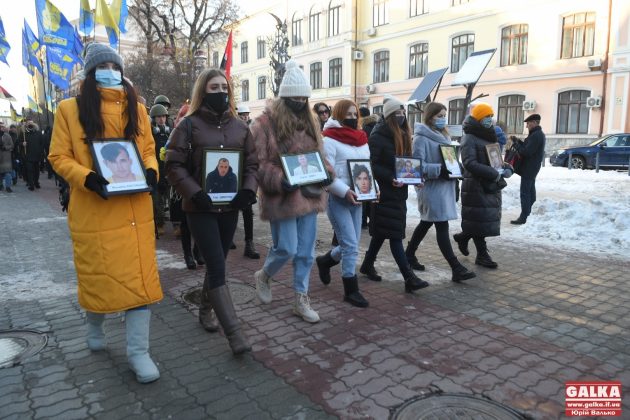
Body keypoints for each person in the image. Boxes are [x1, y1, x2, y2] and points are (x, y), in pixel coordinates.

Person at [48, 42, 162, 384]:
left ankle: (138, 353)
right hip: (95, 210)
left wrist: (152, 169)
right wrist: (87, 177)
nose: (110, 70)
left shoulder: (137, 110)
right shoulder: (69, 110)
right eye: (103, 66)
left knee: (139, 285)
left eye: (115, 65)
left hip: (135, 211)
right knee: (101, 280)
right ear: (90, 73)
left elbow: (147, 149)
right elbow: (58, 157)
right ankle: (94, 324)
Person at [166, 67, 258, 355]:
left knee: (219, 262)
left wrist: (247, 191)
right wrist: (195, 192)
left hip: (229, 207)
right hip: (200, 208)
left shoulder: (241, 128)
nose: (220, 93)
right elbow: (173, 164)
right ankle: (235, 335)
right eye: (214, 88)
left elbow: (252, 164)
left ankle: (205, 310)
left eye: (224, 88)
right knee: (217, 265)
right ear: (202, 91)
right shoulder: (188, 125)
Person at [251, 59, 334, 323]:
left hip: (308, 196)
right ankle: (264, 275)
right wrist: (278, 179)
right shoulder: (265, 123)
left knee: (306, 252)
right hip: (282, 198)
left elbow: (320, 155)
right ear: (285, 96)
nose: (300, 100)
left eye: (304, 96)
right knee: (285, 247)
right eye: (295, 96)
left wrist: (326, 174)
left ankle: (301, 297)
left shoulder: (311, 121)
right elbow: (257, 162)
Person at [359, 97, 429, 293]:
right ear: (389, 116)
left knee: (383, 232)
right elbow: (371, 165)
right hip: (384, 192)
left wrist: (416, 177)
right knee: (395, 234)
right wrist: (390, 178)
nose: (401, 116)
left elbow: (406, 163)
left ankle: (367, 264)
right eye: (397, 113)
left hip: (399, 192)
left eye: (403, 113)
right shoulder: (378, 136)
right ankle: (409, 277)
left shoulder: (404, 134)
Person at [404, 102, 476, 282]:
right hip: (431, 189)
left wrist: (457, 169)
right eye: (439, 116)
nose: (443, 118)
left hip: (445, 187)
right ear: (429, 117)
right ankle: (455, 267)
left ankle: (409, 254)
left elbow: (448, 160)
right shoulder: (421, 138)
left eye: (444, 115)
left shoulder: (443, 135)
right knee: (441, 226)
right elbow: (416, 167)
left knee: (426, 222)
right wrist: (440, 170)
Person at [316, 99, 370, 308]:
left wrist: (372, 188)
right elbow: (325, 172)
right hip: (338, 198)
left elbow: (367, 167)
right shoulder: (328, 139)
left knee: (351, 245)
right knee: (349, 245)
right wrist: (344, 190)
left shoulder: (362, 139)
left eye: (355, 113)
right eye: (347, 114)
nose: (352, 117)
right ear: (338, 114)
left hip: (358, 199)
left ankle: (325, 261)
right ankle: (351, 289)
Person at [452, 103, 513, 269]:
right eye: (486, 116)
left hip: (489, 185)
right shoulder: (469, 137)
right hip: (475, 185)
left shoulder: (489, 135)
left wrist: (505, 167)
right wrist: (494, 173)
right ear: (479, 118)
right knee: (479, 219)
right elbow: (469, 163)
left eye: (491, 116)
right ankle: (482, 255)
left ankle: (463, 237)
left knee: (481, 219)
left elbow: (493, 159)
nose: (489, 119)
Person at [510, 114, 546, 225]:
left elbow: (526, 152)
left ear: (534, 122)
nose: (527, 126)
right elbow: (527, 147)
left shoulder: (536, 136)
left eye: (528, 123)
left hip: (530, 167)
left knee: (525, 192)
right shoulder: (537, 134)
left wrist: (516, 146)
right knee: (530, 190)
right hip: (532, 167)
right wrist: (518, 141)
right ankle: (528, 212)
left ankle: (524, 216)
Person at [150, 104, 171, 236]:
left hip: (168, 170)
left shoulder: (171, 133)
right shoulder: (151, 134)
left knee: (173, 199)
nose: (161, 119)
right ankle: (160, 223)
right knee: (157, 200)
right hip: (156, 169)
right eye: (158, 117)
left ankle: (176, 225)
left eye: (163, 116)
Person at [360, 107, 378, 228]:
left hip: (365, 163)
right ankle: (373, 220)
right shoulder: (376, 126)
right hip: (374, 163)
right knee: (371, 194)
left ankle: (362, 221)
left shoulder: (364, 129)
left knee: (363, 194)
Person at [23, 121, 45, 190]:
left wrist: (41, 153)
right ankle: (31, 184)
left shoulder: (38, 133)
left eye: (31, 124)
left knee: (36, 171)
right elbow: (18, 142)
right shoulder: (24, 134)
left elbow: (42, 143)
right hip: (28, 156)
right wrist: (22, 144)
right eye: (29, 124)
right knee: (29, 170)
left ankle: (36, 182)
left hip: (37, 155)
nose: (30, 125)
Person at [0, 124, 13, 193]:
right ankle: (1, 185)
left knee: (7, 173)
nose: (1, 128)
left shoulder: (7, 136)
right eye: (0, 127)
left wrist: (5, 147)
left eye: (2, 127)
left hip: (6, 157)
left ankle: (8, 186)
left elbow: (11, 145)